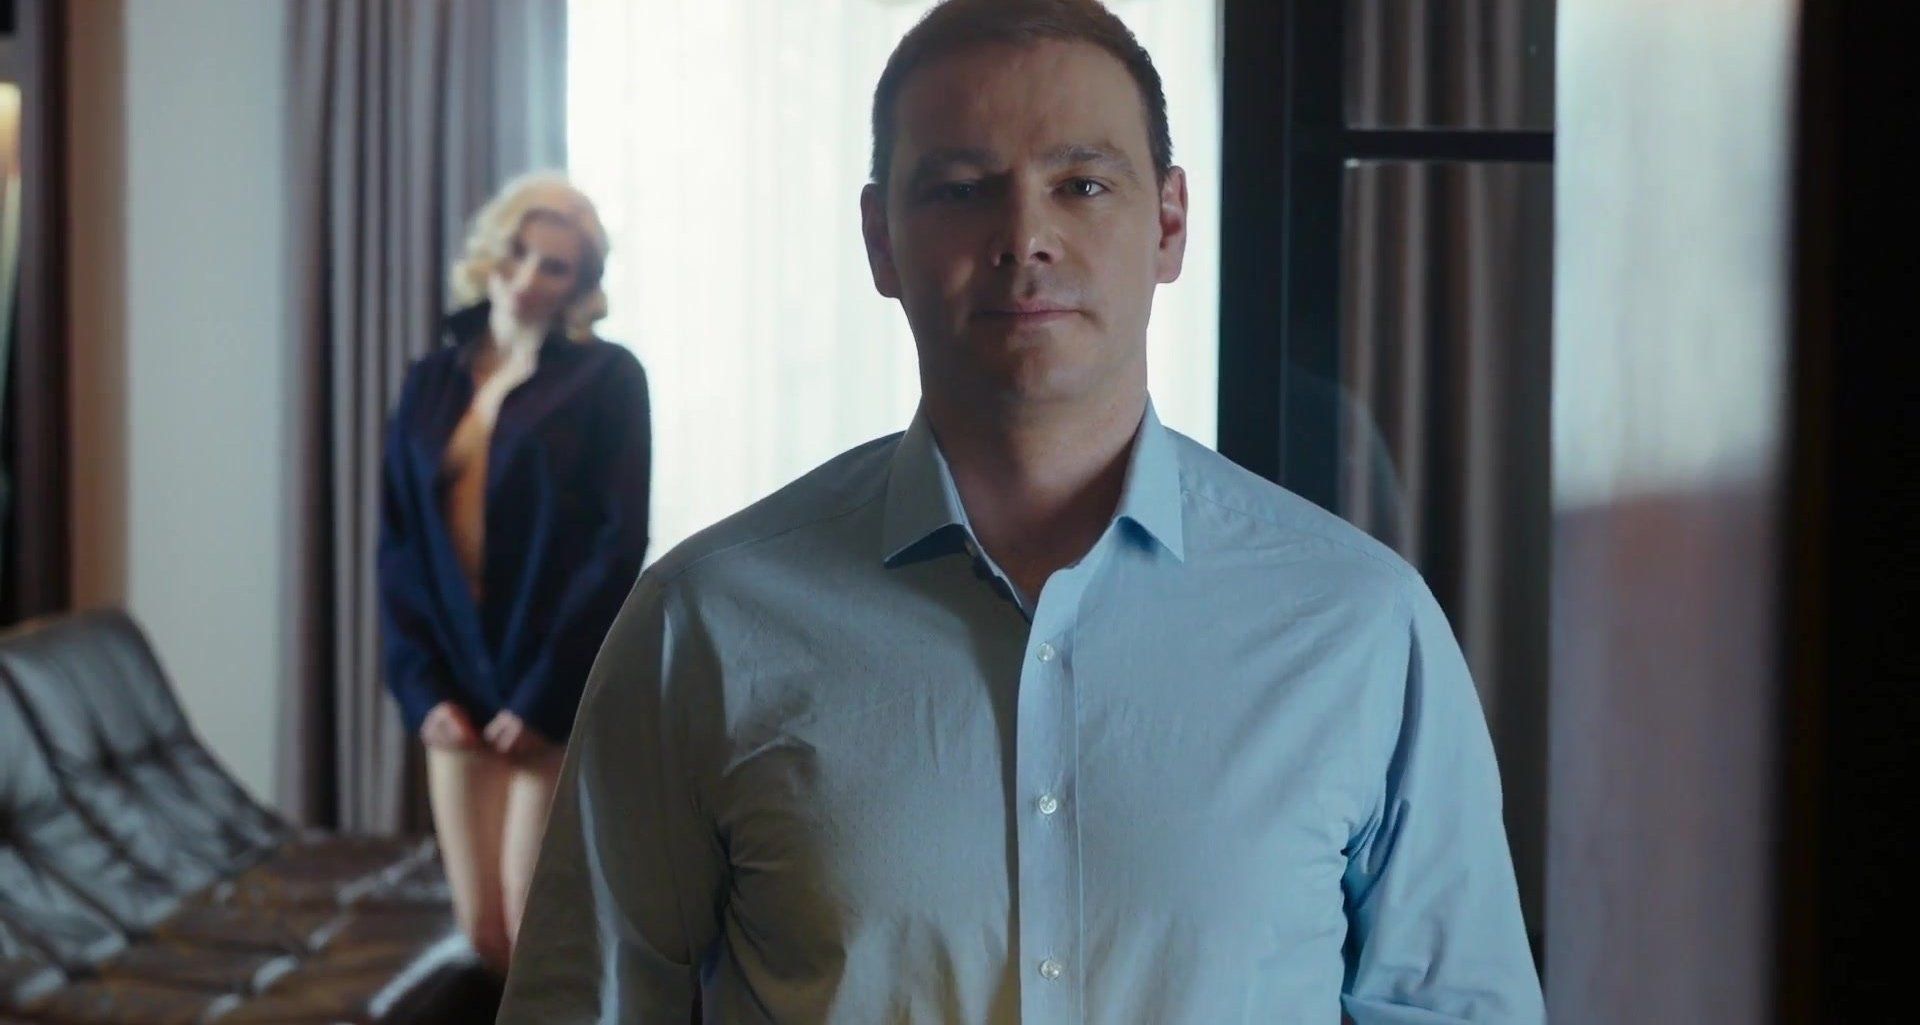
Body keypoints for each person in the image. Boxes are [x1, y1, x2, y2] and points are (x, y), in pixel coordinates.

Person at [499, 1, 1542, 1021]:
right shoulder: (705, 622)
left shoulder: (1362, 625)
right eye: (961, 190)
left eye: (1082, 184)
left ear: (1170, 222)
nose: (1025, 236)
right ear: (880, 239)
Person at [377, 171, 650, 976]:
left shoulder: (608, 379)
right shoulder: (430, 381)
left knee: (538, 931)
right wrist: (421, 690)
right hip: (454, 691)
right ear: (491, 255)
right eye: (518, 253)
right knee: (484, 932)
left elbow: (615, 547)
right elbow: (399, 546)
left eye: (555, 266)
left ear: (581, 284)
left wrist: (540, 696)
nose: (529, 277)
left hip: (547, 690)